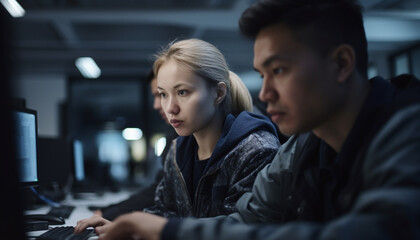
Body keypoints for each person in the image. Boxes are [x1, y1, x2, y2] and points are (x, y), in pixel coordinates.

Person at [79, 0, 420, 239]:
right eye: (262, 74)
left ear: (342, 64)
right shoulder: (303, 146)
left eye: (280, 70)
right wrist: (144, 224)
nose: (266, 93)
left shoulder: (408, 134)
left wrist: (165, 230)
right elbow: (247, 221)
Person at [74, 38, 280, 232]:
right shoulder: (177, 151)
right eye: (163, 94)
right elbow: (163, 210)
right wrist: (123, 226)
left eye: (182, 92)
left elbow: (241, 230)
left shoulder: (256, 150)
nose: (170, 108)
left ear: (218, 93)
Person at [92, 70, 177, 221]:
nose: (156, 105)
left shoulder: (179, 142)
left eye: (183, 92)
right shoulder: (176, 141)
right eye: (159, 95)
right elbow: (162, 192)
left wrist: (113, 215)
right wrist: (112, 214)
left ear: (218, 94)